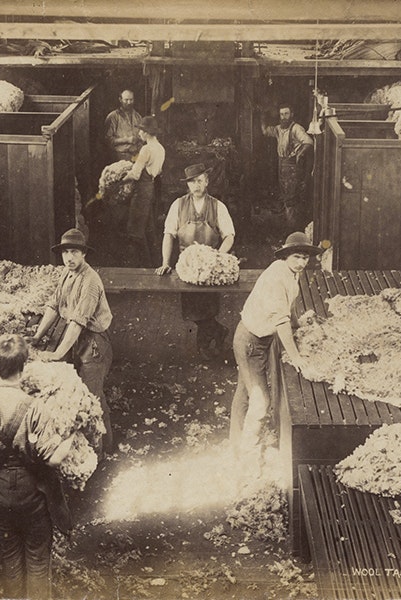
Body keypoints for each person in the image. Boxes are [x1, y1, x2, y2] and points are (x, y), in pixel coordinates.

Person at [0, 333, 74, 600]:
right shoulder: (34, 408)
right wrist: (71, 436)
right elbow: (53, 459)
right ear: (23, 366)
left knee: (10, 554)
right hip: (31, 490)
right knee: (37, 557)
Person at [229, 231, 323, 461]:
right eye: (297, 257)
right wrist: (297, 358)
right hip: (250, 342)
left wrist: (297, 323)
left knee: (246, 391)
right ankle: (248, 453)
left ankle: (237, 442)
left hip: (257, 339)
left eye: (305, 258)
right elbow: (281, 323)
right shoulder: (276, 278)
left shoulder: (290, 272)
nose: (301, 263)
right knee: (260, 401)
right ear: (286, 255)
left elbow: (288, 308)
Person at [29, 228, 114, 451]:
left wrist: (57, 354)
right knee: (74, 392)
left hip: (93, 342)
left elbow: (77, 322)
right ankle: (85, 446)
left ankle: (102, 450)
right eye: (65, 252)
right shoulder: (66, 274)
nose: (69, 257)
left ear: (84, 254)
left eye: (74, 252)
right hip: (75, 337)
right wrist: (37, 336)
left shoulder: (90, 281)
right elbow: (54, 305)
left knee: (91, 397)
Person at [156, 163, 235, 360]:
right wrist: (165, 262)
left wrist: (217, 257)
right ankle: (218, 332)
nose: (196, 185)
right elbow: (168, 234)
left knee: (207, 306)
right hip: (187, 267)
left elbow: (229, 235)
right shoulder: (178, 205)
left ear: (207, 181)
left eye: (200, 181)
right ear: (187, 184)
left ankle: (204, 346)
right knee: (192, 309)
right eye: (192, 182)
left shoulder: (218, 206)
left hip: (210, 267)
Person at [261, 103, 314, 228]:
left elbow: (309, 142)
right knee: (285, 197)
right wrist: (262, 116)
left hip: (292, 168)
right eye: (281, 114)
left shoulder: (296, 128)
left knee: (291, 199)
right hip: (282, 166)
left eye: (286, 114)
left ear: (292, 115)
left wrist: (300, 154)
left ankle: (293, 229)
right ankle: (288, 227)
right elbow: (265, 131)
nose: (284, 117)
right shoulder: (278, 129)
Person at [122, 115, 165, 266]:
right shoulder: (161, 149)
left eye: (141, 130)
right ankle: (153, 263)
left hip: (141, 192)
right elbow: (158, 172)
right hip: (150, 190)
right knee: (148, 228)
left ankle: (137, 267)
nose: (139, 133)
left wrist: (119, 179)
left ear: (146, 132)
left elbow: (135, 174)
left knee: (135, 229)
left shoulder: (146, 149)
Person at [103, 88, 143, 162]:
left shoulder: (138, 117)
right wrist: (126, 140)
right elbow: (108, 140)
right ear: (120, 100)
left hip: (136, 155)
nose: (129, 102)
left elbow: (142, 137)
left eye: (131, 100)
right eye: (126, 100)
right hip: (119, 156)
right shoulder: (113, 117)